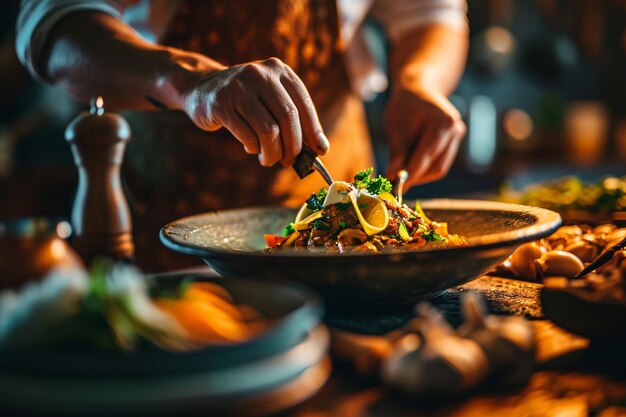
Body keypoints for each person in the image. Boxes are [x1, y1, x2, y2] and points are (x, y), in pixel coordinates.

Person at [16, 0, 468, 270]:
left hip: (352, 260)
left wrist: (419, 82)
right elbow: (55, 26)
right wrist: (189, 80)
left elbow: (431, 12)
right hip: (167, 219)